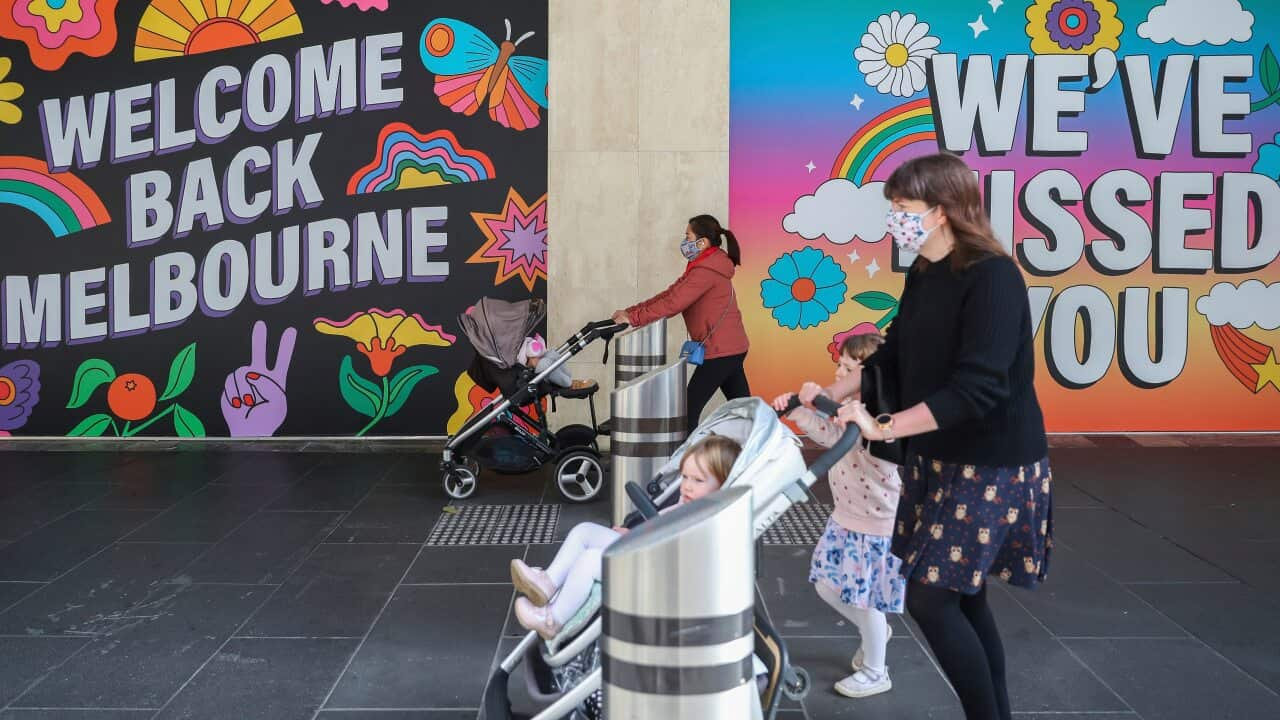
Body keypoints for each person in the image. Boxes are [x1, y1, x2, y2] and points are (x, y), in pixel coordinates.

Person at [800, 153, 1053, 720]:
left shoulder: (992, 276)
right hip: (938, 454)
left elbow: (977, 388)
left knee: (932, 599)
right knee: (964, 595)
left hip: (993, 461)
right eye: (892, 207)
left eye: (903, 208)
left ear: (940, 211)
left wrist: (883, 424)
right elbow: (898, 350)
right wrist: (844, 390)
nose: (895, 218)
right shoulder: (924, 270)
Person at [772, 332, 904, 699]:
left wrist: (860, 421)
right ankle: (873, 630)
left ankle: (877, 670)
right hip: (845, 516)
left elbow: (882, 452)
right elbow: (830, 436)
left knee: (868, 602)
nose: (839, 374)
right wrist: (797, 410)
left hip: (876, 526)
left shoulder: (885, 420)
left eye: (847, 369)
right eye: (839, 366)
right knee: (826, 585)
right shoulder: (848, 412)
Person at [509, 435, 742, 640]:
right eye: (685, 477)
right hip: (644, 550)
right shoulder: (690, 500)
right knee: (584, 531)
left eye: (698, 480)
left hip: (658, 576)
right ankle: (547, 583)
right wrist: (632, 533)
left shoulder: (709, 519)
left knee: (591, 560)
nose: (687, 487)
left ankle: (552, 620)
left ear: (723, 485)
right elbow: (660, 523)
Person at [611, 215, 749, 434]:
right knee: (745, 411)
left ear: (702, 242)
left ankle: (685, 465)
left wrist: (634, 319)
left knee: (687, 411)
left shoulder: (705, 271)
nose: (684, 241)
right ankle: (761, 451)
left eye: (688, 236)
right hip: (729, 347)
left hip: (721, 351)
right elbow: (669, 294)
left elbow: (673, 304)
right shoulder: (702, 266)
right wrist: (631, 312)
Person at [517, 334, 596, 390]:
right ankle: (570, 384)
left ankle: (568, 378)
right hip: (532, 371)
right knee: (543, 363)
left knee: (552, 353)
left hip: (536, 362)